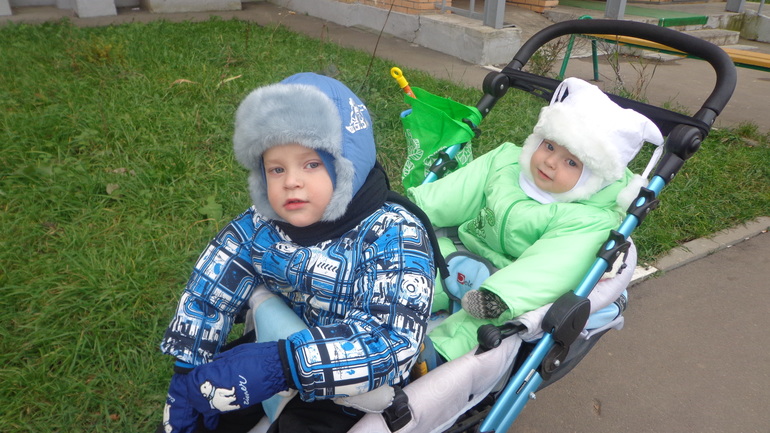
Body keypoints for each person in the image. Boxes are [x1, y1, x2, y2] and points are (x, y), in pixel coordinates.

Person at [158, 72, 435, 433]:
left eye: (311, 164)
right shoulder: (262, 224)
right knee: (210, 396)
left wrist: (283, 364)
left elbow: (391, 339)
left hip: (355, 385)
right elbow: (211, 284)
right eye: (276, 169)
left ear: (348, 164)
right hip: (278, 346)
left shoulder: (394, 234)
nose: (291, 181)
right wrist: (188, 361)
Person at [408, 77, 664, 362]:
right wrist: (413, 210)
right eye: (550, 146)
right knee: (414, 266)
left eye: (571, 162)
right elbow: (458, 193)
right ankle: (387, 313)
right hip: (463, 254)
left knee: (482, 328)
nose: (550, 161)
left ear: (595, 177)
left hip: (511, 290)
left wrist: (499, 297)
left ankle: (433, 356)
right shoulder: (506, 162)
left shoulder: (591, 220)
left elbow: (553, 266)